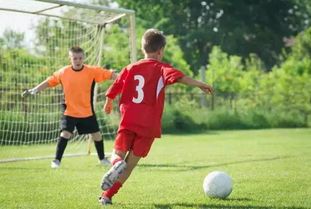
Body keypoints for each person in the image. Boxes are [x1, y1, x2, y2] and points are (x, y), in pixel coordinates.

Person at [98, 29, 213, 205]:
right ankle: (107, 195)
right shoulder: (162, 68)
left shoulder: (130, 67)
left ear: (144, 49)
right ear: (160, 51)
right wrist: (199, 84)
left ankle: (115, 163)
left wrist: (108, 101)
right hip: (148, 125)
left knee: (118, 153)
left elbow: (116, 84)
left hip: (129, 119)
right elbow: (180, 78)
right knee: (130, 165)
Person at [22, 46, 117, 169]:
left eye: (80, 58)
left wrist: (125, 77)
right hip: (69, 111)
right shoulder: (63, 72)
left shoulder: (92, 71)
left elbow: (110, 74)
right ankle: (56, 161)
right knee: (65, 133)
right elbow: (48, 81)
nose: (77, 60)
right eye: (75, 58)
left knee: (97, 135)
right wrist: (34, 90)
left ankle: (102, 159)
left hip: (86, 111)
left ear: (83, 58)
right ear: (70, 59)